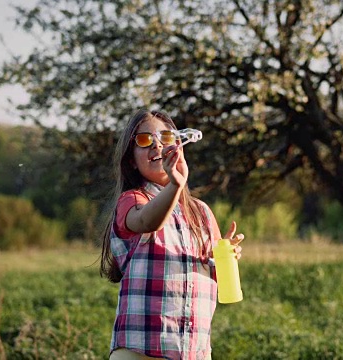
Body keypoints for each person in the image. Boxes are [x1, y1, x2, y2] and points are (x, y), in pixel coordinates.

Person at [100, 109, 244, 360]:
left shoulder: (201, 212)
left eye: (165, 137)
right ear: (132, 159)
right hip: (139, 351)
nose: (157, 145)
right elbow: (147, 220)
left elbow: (211, 281)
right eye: (145, 140)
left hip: (192, 351)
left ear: (178, 146)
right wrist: (177, 184)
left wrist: (226, 258)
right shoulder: (133, 200)